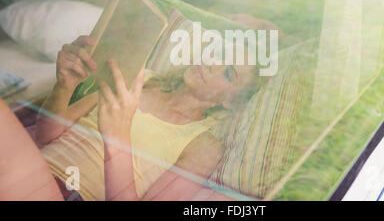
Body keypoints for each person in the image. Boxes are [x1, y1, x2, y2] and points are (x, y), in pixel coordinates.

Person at [0, 35, 263, 201]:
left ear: (231, 101)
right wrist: (65, 86)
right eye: (218, 54)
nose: (212, 64)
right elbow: (47, 135)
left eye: (228, 73)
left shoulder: (203, 145)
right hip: (36, 166)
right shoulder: (140, 77)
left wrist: (117, 137)